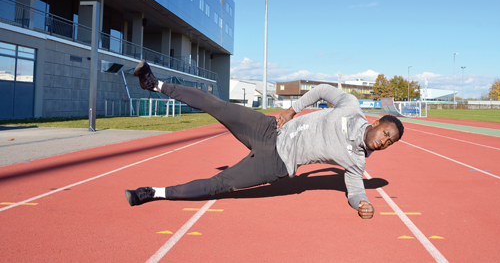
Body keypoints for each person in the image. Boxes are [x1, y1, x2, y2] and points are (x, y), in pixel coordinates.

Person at [125, 60, 404, 219]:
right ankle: (155, 84)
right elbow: (319, 90)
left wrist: (361, 204)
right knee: (216, 105)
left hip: (276, 163)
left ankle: (151, 192)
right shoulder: (351, 106)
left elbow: (355, 191)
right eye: (386, 134)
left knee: (219, 185)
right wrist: (292, 110)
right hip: (270, 129)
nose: (385, 142)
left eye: (390, 143)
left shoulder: (356, 162)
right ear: (378, 122)